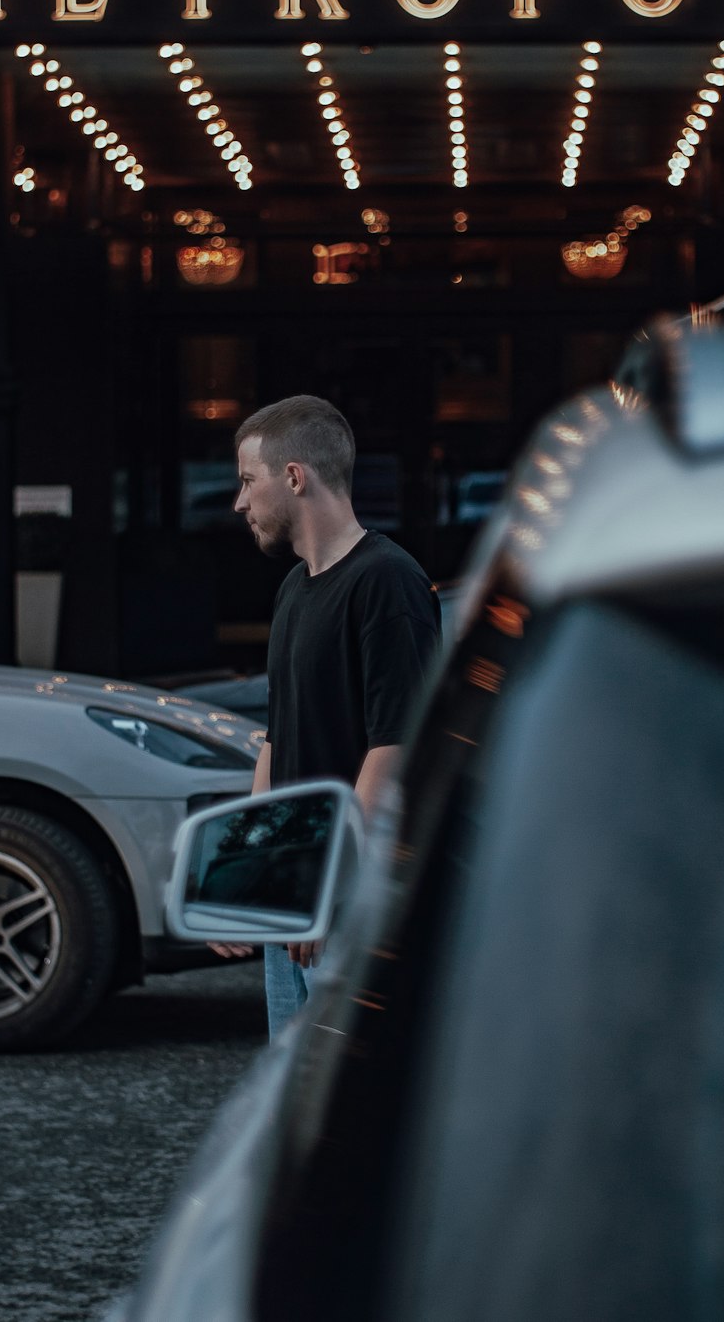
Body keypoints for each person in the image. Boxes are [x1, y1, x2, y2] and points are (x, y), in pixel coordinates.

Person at [222, 394, 441, 1038]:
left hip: (346, 904)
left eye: (246, 481)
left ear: (294, 477)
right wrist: (249, 868)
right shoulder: (293, 587)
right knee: (295, 1105)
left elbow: (392, 751)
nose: (239, 502)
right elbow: (277, 739)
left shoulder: (388, 581)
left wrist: (326, 883)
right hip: (298, 899)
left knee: (346, 1109)